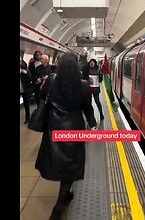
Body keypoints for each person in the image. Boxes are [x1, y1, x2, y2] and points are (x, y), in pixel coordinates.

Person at [35, 53, 97, 220]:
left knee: (58, 162)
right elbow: (87, 108)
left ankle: (63, 200)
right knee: (71, 166)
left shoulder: (52, 80)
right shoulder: (83, 85)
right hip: (74, 130)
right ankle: (60, 204)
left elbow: (41, 98)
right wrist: (92, 124)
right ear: (77, 67)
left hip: (54, 128)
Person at [20, 59, 33, 124]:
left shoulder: (25, 69)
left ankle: (27, 118)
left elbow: (31, 78)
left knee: (26, 104)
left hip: (24, 89)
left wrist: (25, 73)